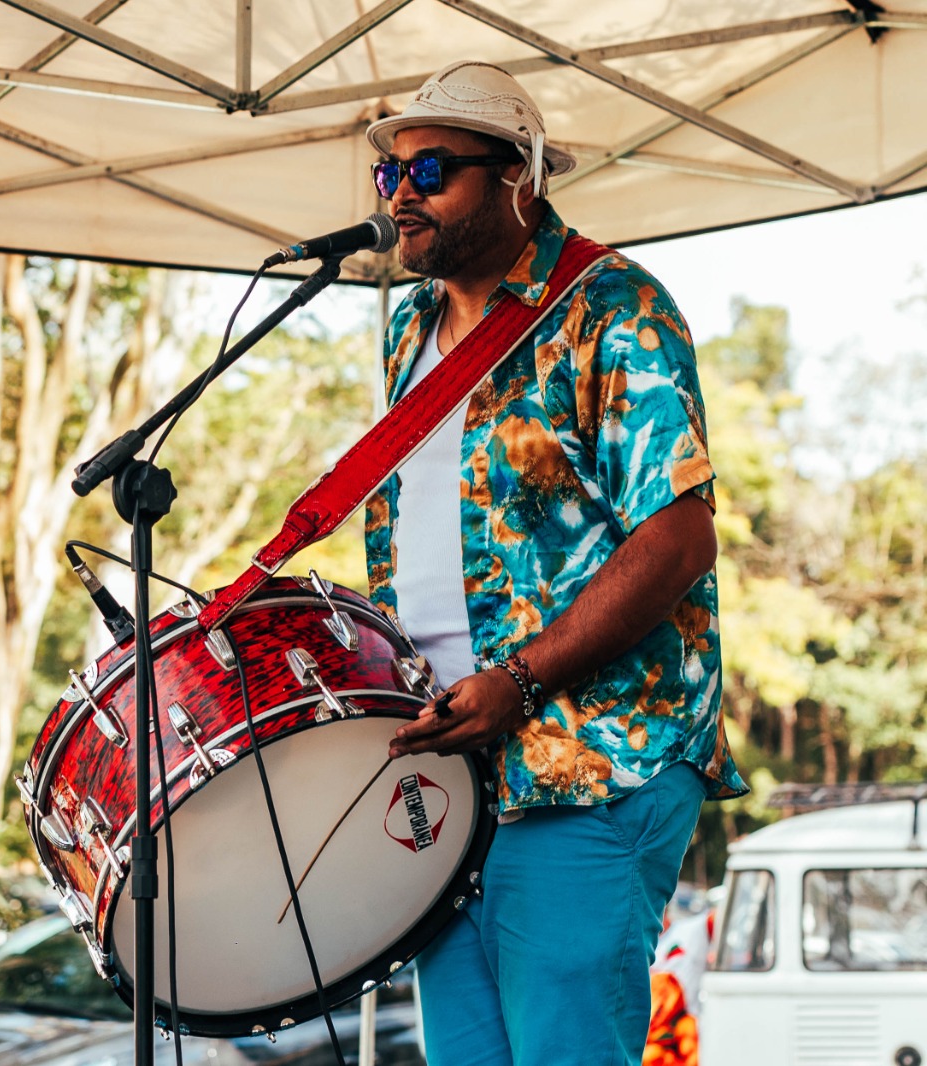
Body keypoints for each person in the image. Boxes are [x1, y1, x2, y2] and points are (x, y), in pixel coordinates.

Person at [361, 62, 747, 1065]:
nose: (401, 194)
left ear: (517, 178)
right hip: (454, 776)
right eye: (387, 174)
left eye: (432, 169)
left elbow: (677, 533)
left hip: (590, 762)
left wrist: (518, 678)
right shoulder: (407, 328)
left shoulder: (612, 305)